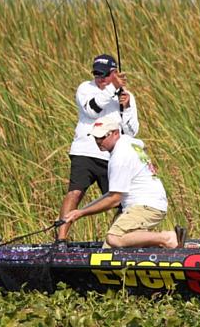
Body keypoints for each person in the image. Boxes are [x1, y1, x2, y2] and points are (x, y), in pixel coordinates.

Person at [63, 115, 186, 248]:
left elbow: (114, 199)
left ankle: (166, 238)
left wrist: (81, 213)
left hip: (145, 205)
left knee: (114, 238)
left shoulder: (119, 157)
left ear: (116, 133)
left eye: (102, 137)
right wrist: (79, 211)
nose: (98, 141)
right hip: (149, 203)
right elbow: (141, 144)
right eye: (95, 137)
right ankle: (158, 248)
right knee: (108, 250)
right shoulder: (128, 141)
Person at [57, 54, 140, 241]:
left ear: (114, 73)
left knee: (119, 202)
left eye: (104, 75)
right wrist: (113, 88)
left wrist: (126, 108)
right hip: (85, 151)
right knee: (75, 192)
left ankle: (116, 240)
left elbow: (131, 132)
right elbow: (91, 110)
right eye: (96, 74)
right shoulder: (85, 88)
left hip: (112, 156)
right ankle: (60, 239)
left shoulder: (126, 96)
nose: (100, 79)